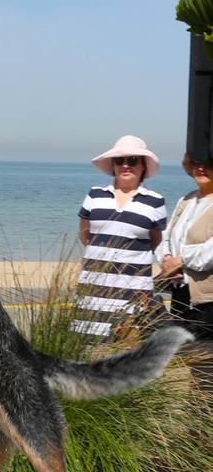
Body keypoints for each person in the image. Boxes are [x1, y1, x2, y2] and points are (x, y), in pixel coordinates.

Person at [73, 135, 166, 338]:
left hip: (134, 292)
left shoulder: (155, 202)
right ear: (113, 165)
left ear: (143, 167)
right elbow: (85, 234)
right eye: (119, 160)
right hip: (93, 290)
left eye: (132, 160)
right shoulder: (95, 195)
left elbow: (155, 241)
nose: (125, 165)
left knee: (126, 353)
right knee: (86, 350)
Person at [157, 152, 213, 392]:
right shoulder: (186, 200)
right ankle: (196, 423)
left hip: (209, 298)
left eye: (209, 163)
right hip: (182, 294)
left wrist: (181, 259)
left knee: (206, 365)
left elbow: (209, 254)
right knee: (192, 362)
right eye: (197, 163)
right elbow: (166, 237)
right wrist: (167, 258)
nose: (202, 168)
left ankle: (201, 422)